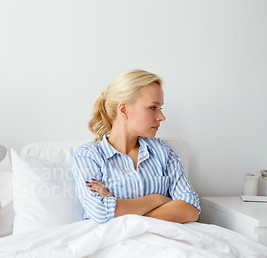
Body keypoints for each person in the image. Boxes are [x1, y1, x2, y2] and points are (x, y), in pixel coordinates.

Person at [71, 69, 200, 225]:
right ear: (124, 110)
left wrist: (118, 206)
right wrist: (158, 199)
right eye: (153, 108)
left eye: (161, 108)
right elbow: (102, 214)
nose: (161, 117)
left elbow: (191, 209)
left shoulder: (163, 152)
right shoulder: (88, 156)